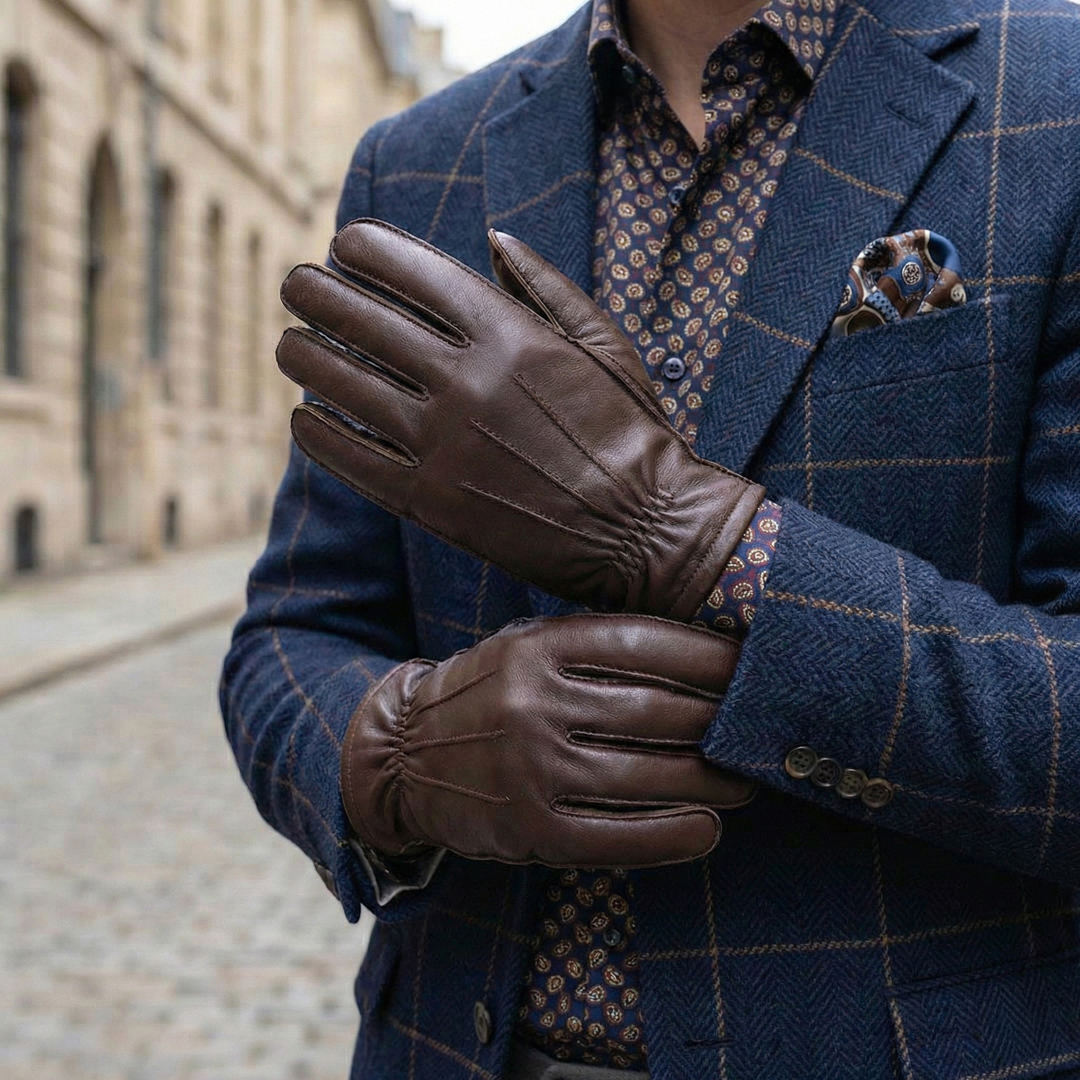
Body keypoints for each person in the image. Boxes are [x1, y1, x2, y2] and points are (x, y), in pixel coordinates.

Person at [220, 0, 1080, 1077]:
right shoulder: (418, 161)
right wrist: (397, 754)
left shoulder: (1055, 99)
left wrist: (691, 534)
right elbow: (291, 633)